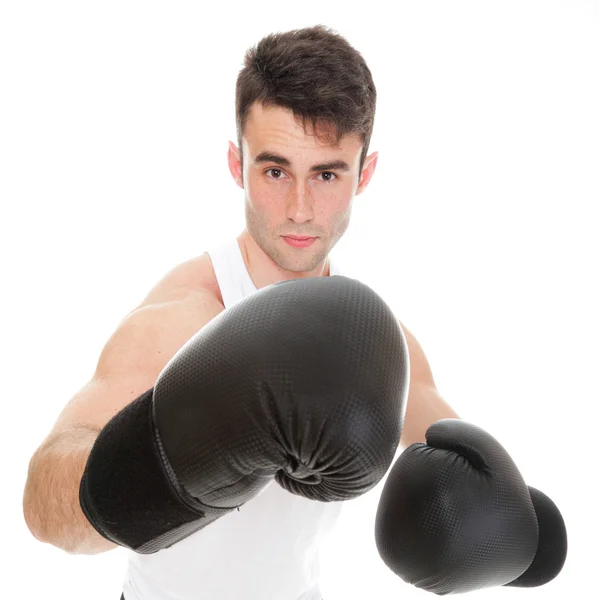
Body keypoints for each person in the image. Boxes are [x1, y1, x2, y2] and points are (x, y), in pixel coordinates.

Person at [24, 24, 472, 600]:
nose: (301, 209)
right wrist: (174, 465)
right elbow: (45, 508)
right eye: (276, 170)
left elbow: (468, 465)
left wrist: (504, 530)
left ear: (366, 173)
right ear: (237, 165)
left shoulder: (375, 344)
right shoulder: (184, 317)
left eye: (328, 173)